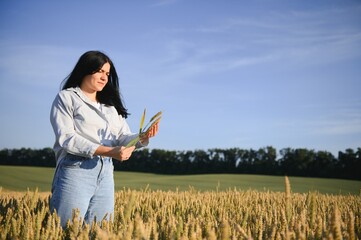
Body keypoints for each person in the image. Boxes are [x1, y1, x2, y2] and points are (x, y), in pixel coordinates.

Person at [49, 50, 159, 227]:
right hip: (76, 169)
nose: (104, 77)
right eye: (100, 71)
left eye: (107, 74)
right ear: (85, 69)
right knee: (66, 229)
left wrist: (142, 137)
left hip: (106, 172)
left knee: (101, 231)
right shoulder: (67, 97)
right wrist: (110, 151)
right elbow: (67, 138)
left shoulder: (110, 107)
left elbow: (122, 137)